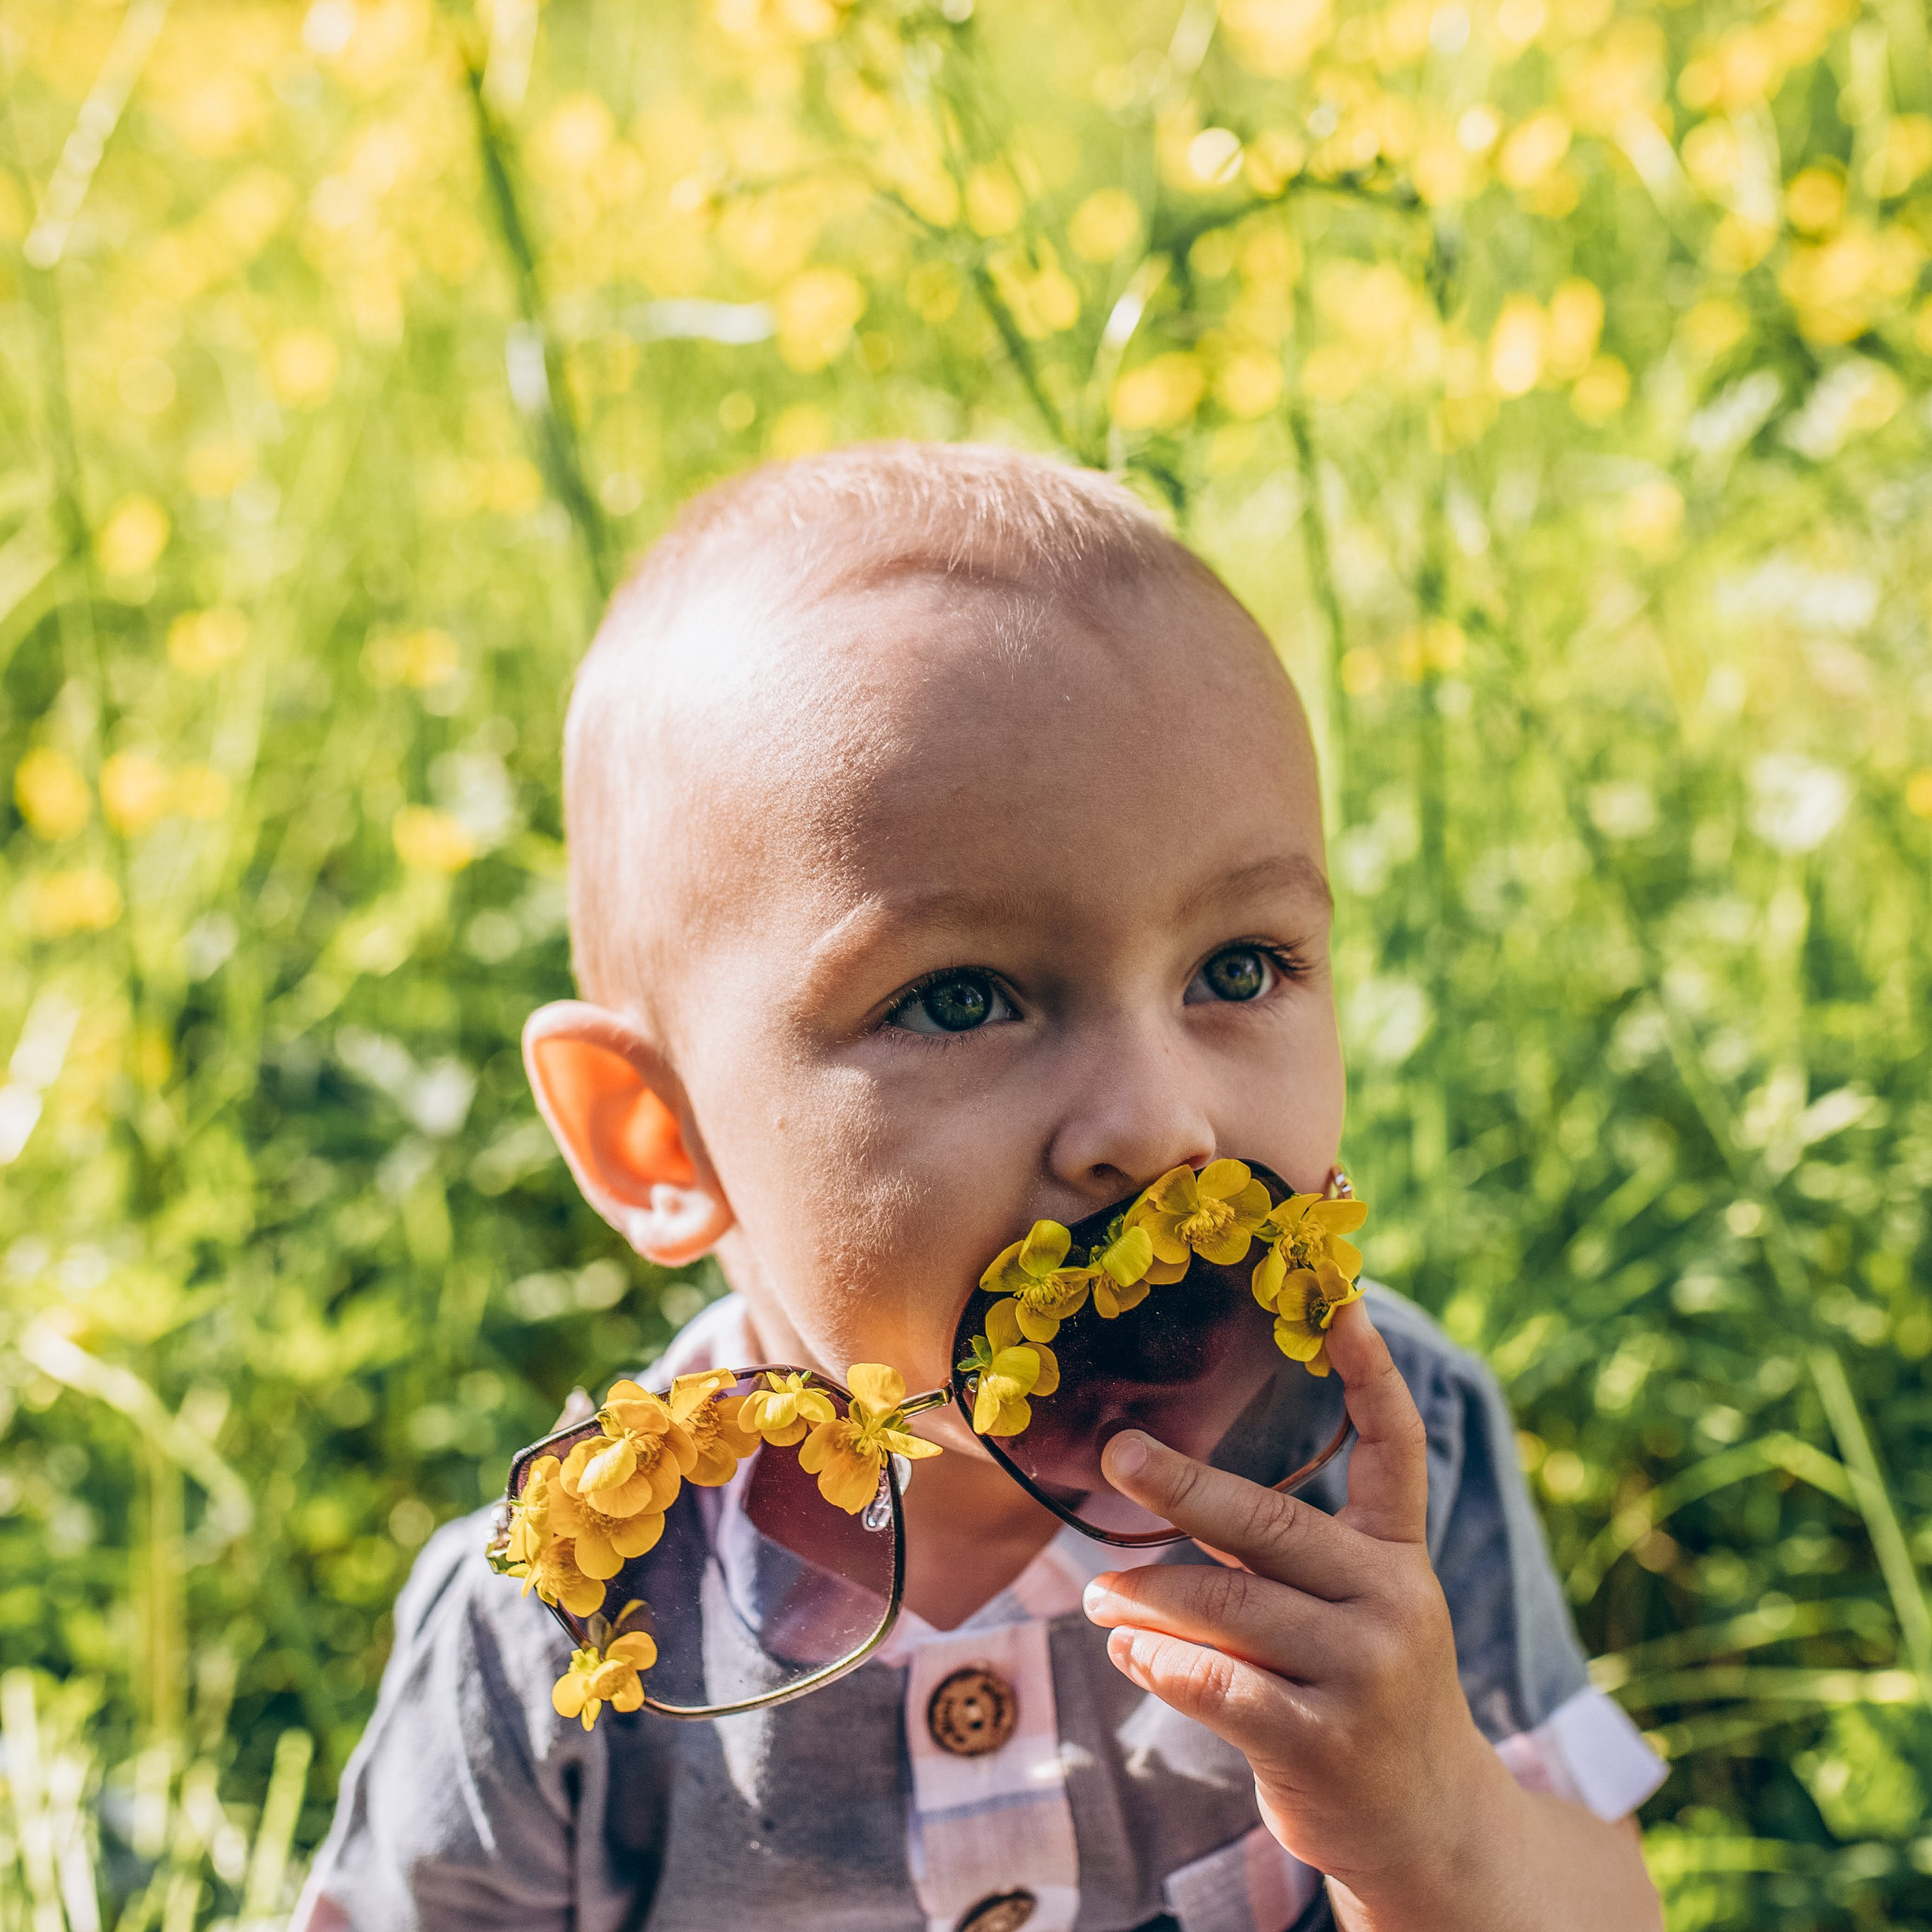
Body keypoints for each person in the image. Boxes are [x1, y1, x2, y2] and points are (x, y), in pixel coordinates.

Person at [297, 443, 1665, 1932]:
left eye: (1236, 967)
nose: (1156, 1124)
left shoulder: (1391, 1453)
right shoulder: (570, 1623)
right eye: (960, 998)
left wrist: (1438, 1823)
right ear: (658, 1135)